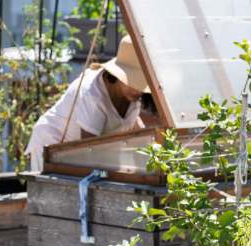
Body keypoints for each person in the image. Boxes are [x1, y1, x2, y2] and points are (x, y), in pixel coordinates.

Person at [25, 35, 158, 172]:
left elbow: (134, 127)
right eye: (133, 82)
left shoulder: (132, 95)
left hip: (79, 152)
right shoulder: (92, 94)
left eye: (142, 84)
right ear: (118, 75)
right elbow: (89, 152)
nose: (138, 89)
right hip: (52, 145)